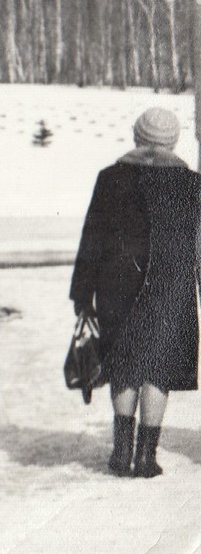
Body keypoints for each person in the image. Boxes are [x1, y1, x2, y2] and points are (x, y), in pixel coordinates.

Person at [71, 106, 200, 479]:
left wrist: (83, 294)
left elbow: (91, 238)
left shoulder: (111, 177)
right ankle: (146, 457)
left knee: (124, 363)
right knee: (159, 367)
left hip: (117, 283)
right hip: (171, 287)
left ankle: (121, 453)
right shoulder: (193, 184)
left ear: (137, 136)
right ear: (173, 140)